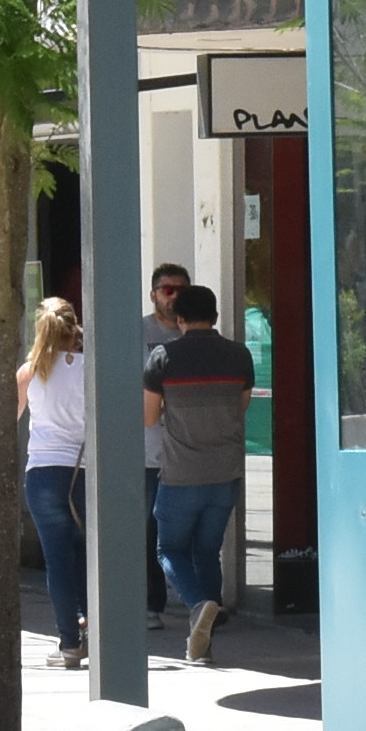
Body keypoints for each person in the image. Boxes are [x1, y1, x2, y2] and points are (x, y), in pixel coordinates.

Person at [142, 283, 252, 662]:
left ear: (179, 320)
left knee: (168, 549)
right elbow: (240, 407)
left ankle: (198, 604)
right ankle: (202, 641)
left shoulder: (163, 357)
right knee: (207, 551)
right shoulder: (239, 355)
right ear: (216, 317)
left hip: (180, 474)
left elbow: (149, 417)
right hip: (225, 473)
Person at [19, 298, 95, 669]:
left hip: (44, 472)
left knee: (58, 559)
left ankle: (69, 644)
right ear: (74, 326)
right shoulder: (91, 369)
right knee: (87, 555)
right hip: (85, 472)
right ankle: (91, 626)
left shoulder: (31, 371)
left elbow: (5, 420)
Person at [138, 263, 190, 627]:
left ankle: (201, 602)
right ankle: (151, 604)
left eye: (181, 290)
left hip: (190, 453)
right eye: (167, 290)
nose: (174, 296)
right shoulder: (138, 332)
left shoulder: (197, 333)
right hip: (149, 452)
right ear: (154, 294)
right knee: (149, 530)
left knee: (192, 531)